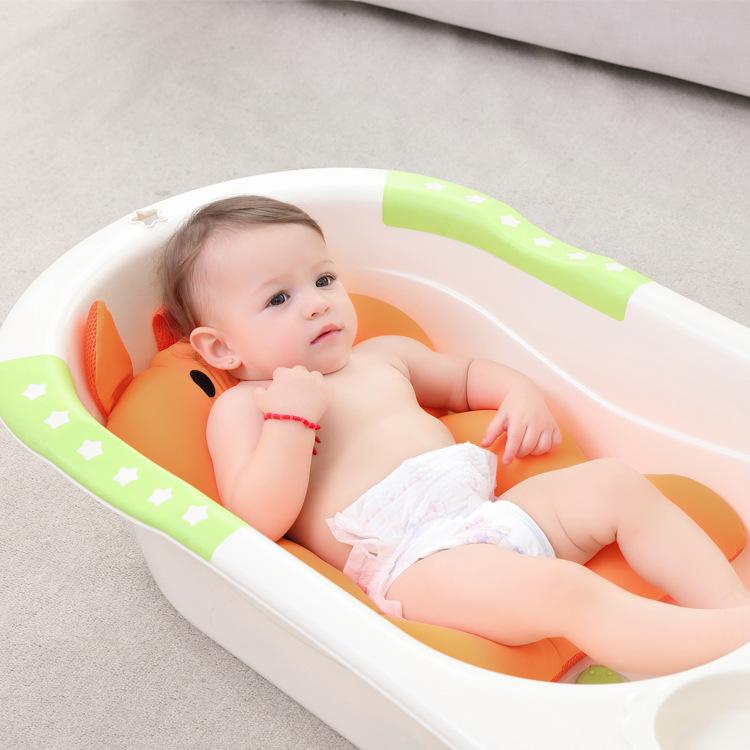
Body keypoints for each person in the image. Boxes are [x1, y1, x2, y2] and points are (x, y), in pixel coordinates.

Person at [157, 194, 750, 676]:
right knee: (563, 590)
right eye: (279, 298)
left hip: (487, 516)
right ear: (221, 348)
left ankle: (732, 609)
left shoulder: (383, 356)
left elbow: (465, 378)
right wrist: (292, 421)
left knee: (614, 483)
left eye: (324, 279)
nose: (316, 305)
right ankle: (727, 645)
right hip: (416, 567)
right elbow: (255, 521)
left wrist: (520, 392)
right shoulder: (246, 407)